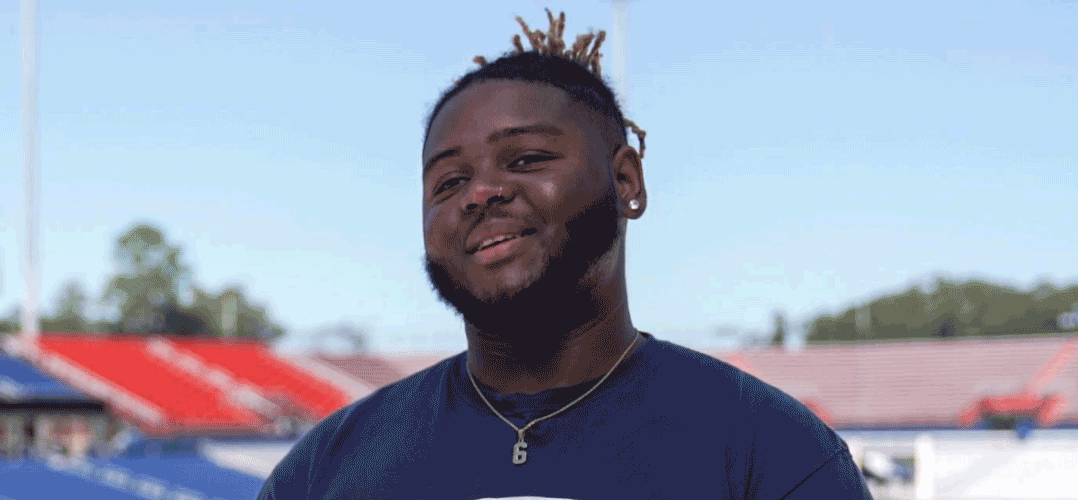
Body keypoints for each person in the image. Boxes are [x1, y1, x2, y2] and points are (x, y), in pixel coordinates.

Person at [258, 11, 872, 499]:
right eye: (447, 182)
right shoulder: (327, 471)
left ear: (626, 182)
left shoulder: (770, 449)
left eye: (526, 159)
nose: (481, 192)